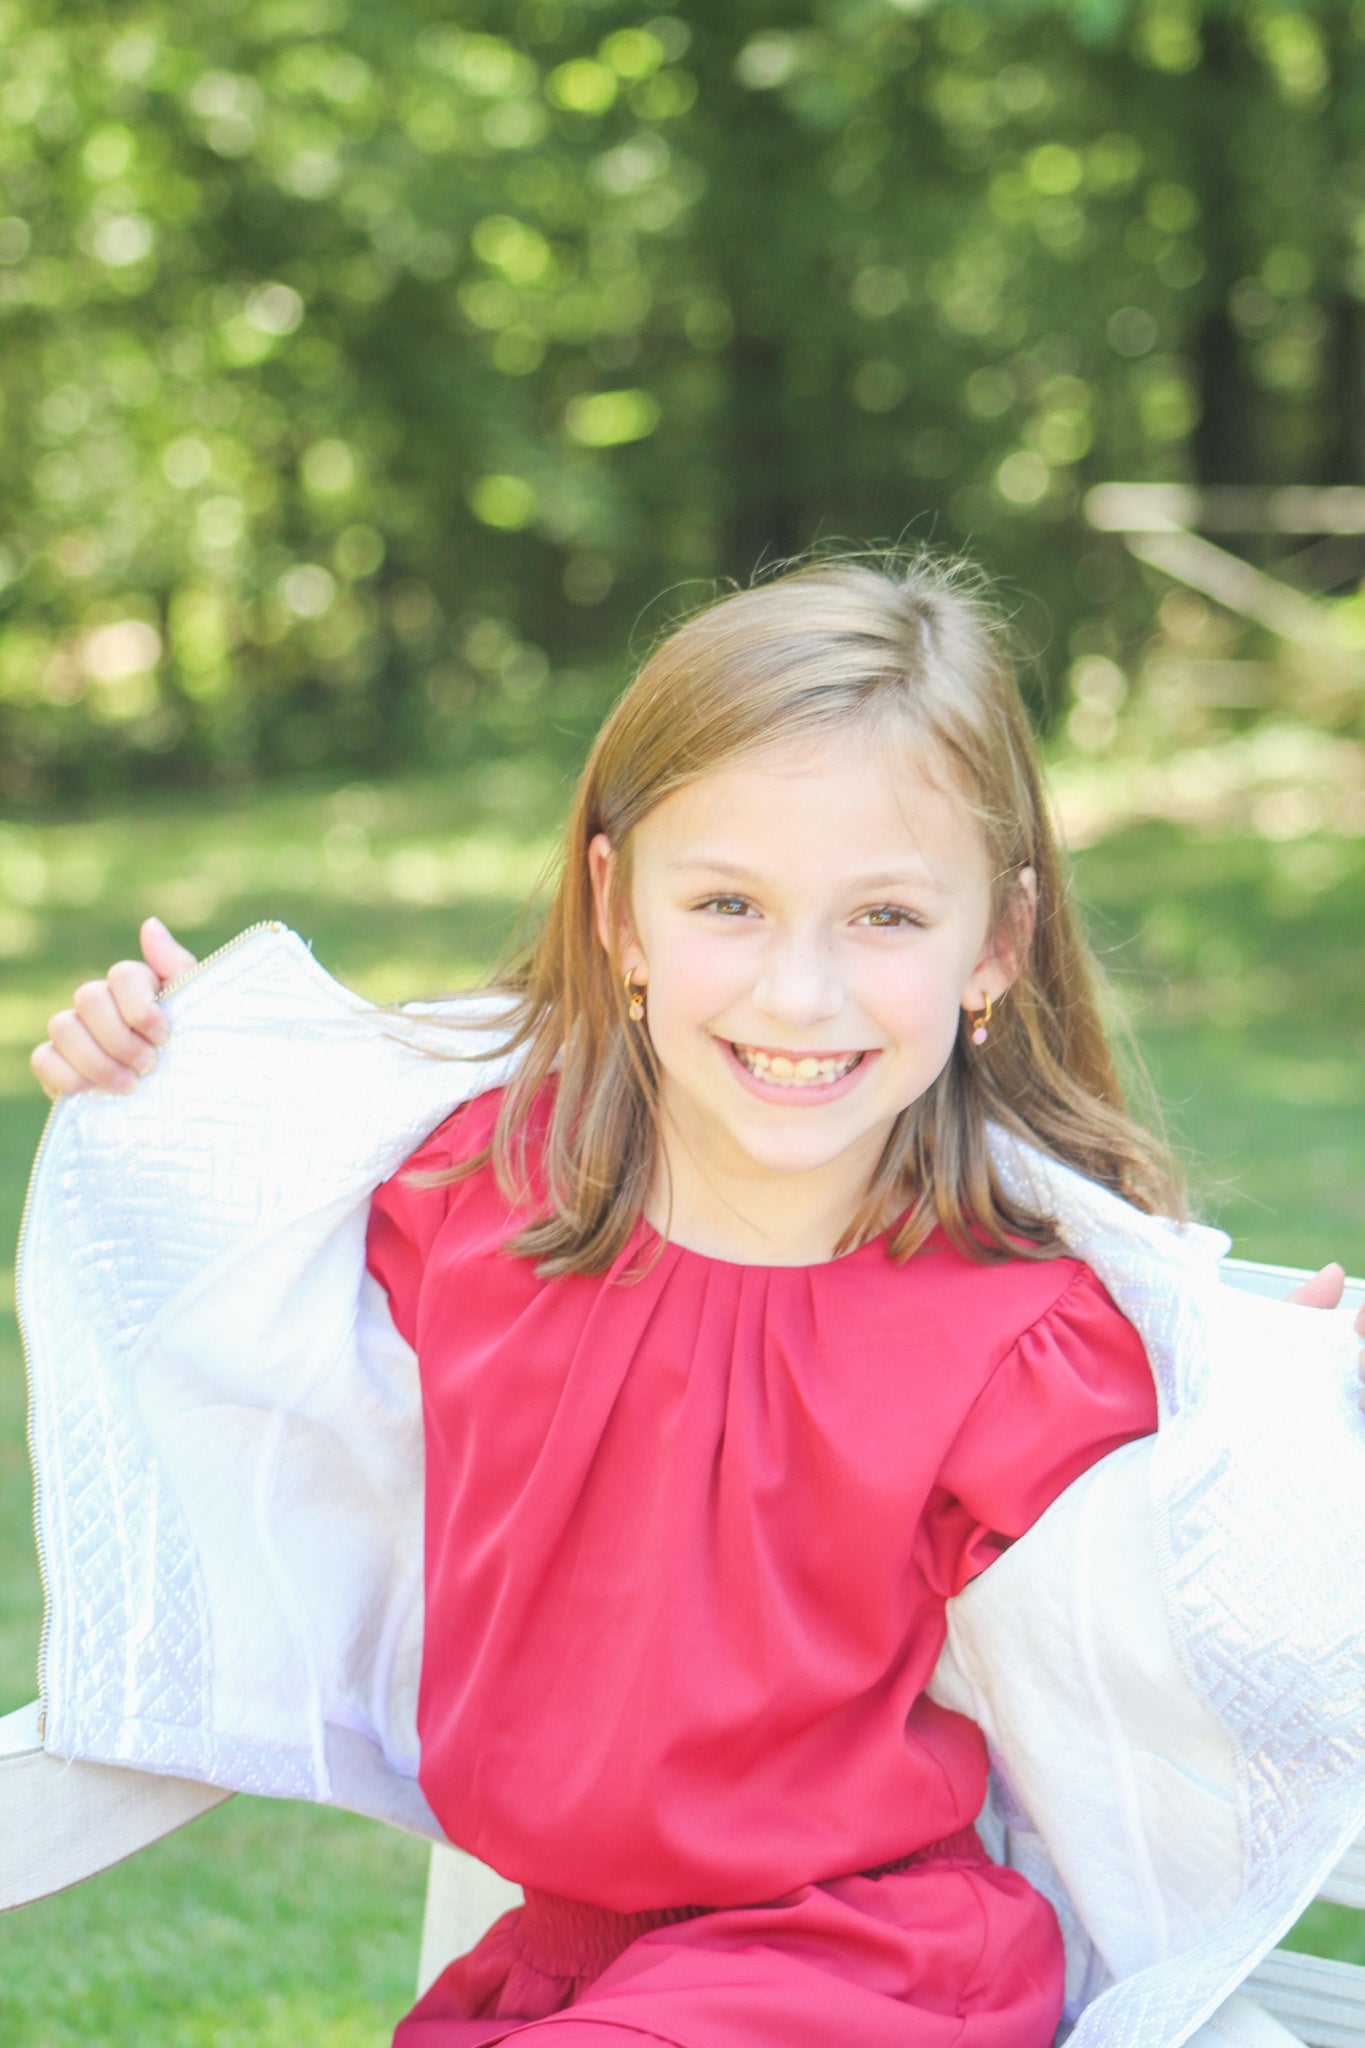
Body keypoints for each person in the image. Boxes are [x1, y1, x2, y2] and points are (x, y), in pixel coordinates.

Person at [28, 557, 1365, 2048]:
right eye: (729, 902)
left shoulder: (1019, 1330)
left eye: (884, 919)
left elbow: (1154, 1636)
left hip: (860, 1964)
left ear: (994, 944)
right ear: (618, 908)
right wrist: (154, 1075)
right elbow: (237, 1301)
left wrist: (1291, 1431)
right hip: (559, 1966)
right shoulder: (482, 1202)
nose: (798, 993)